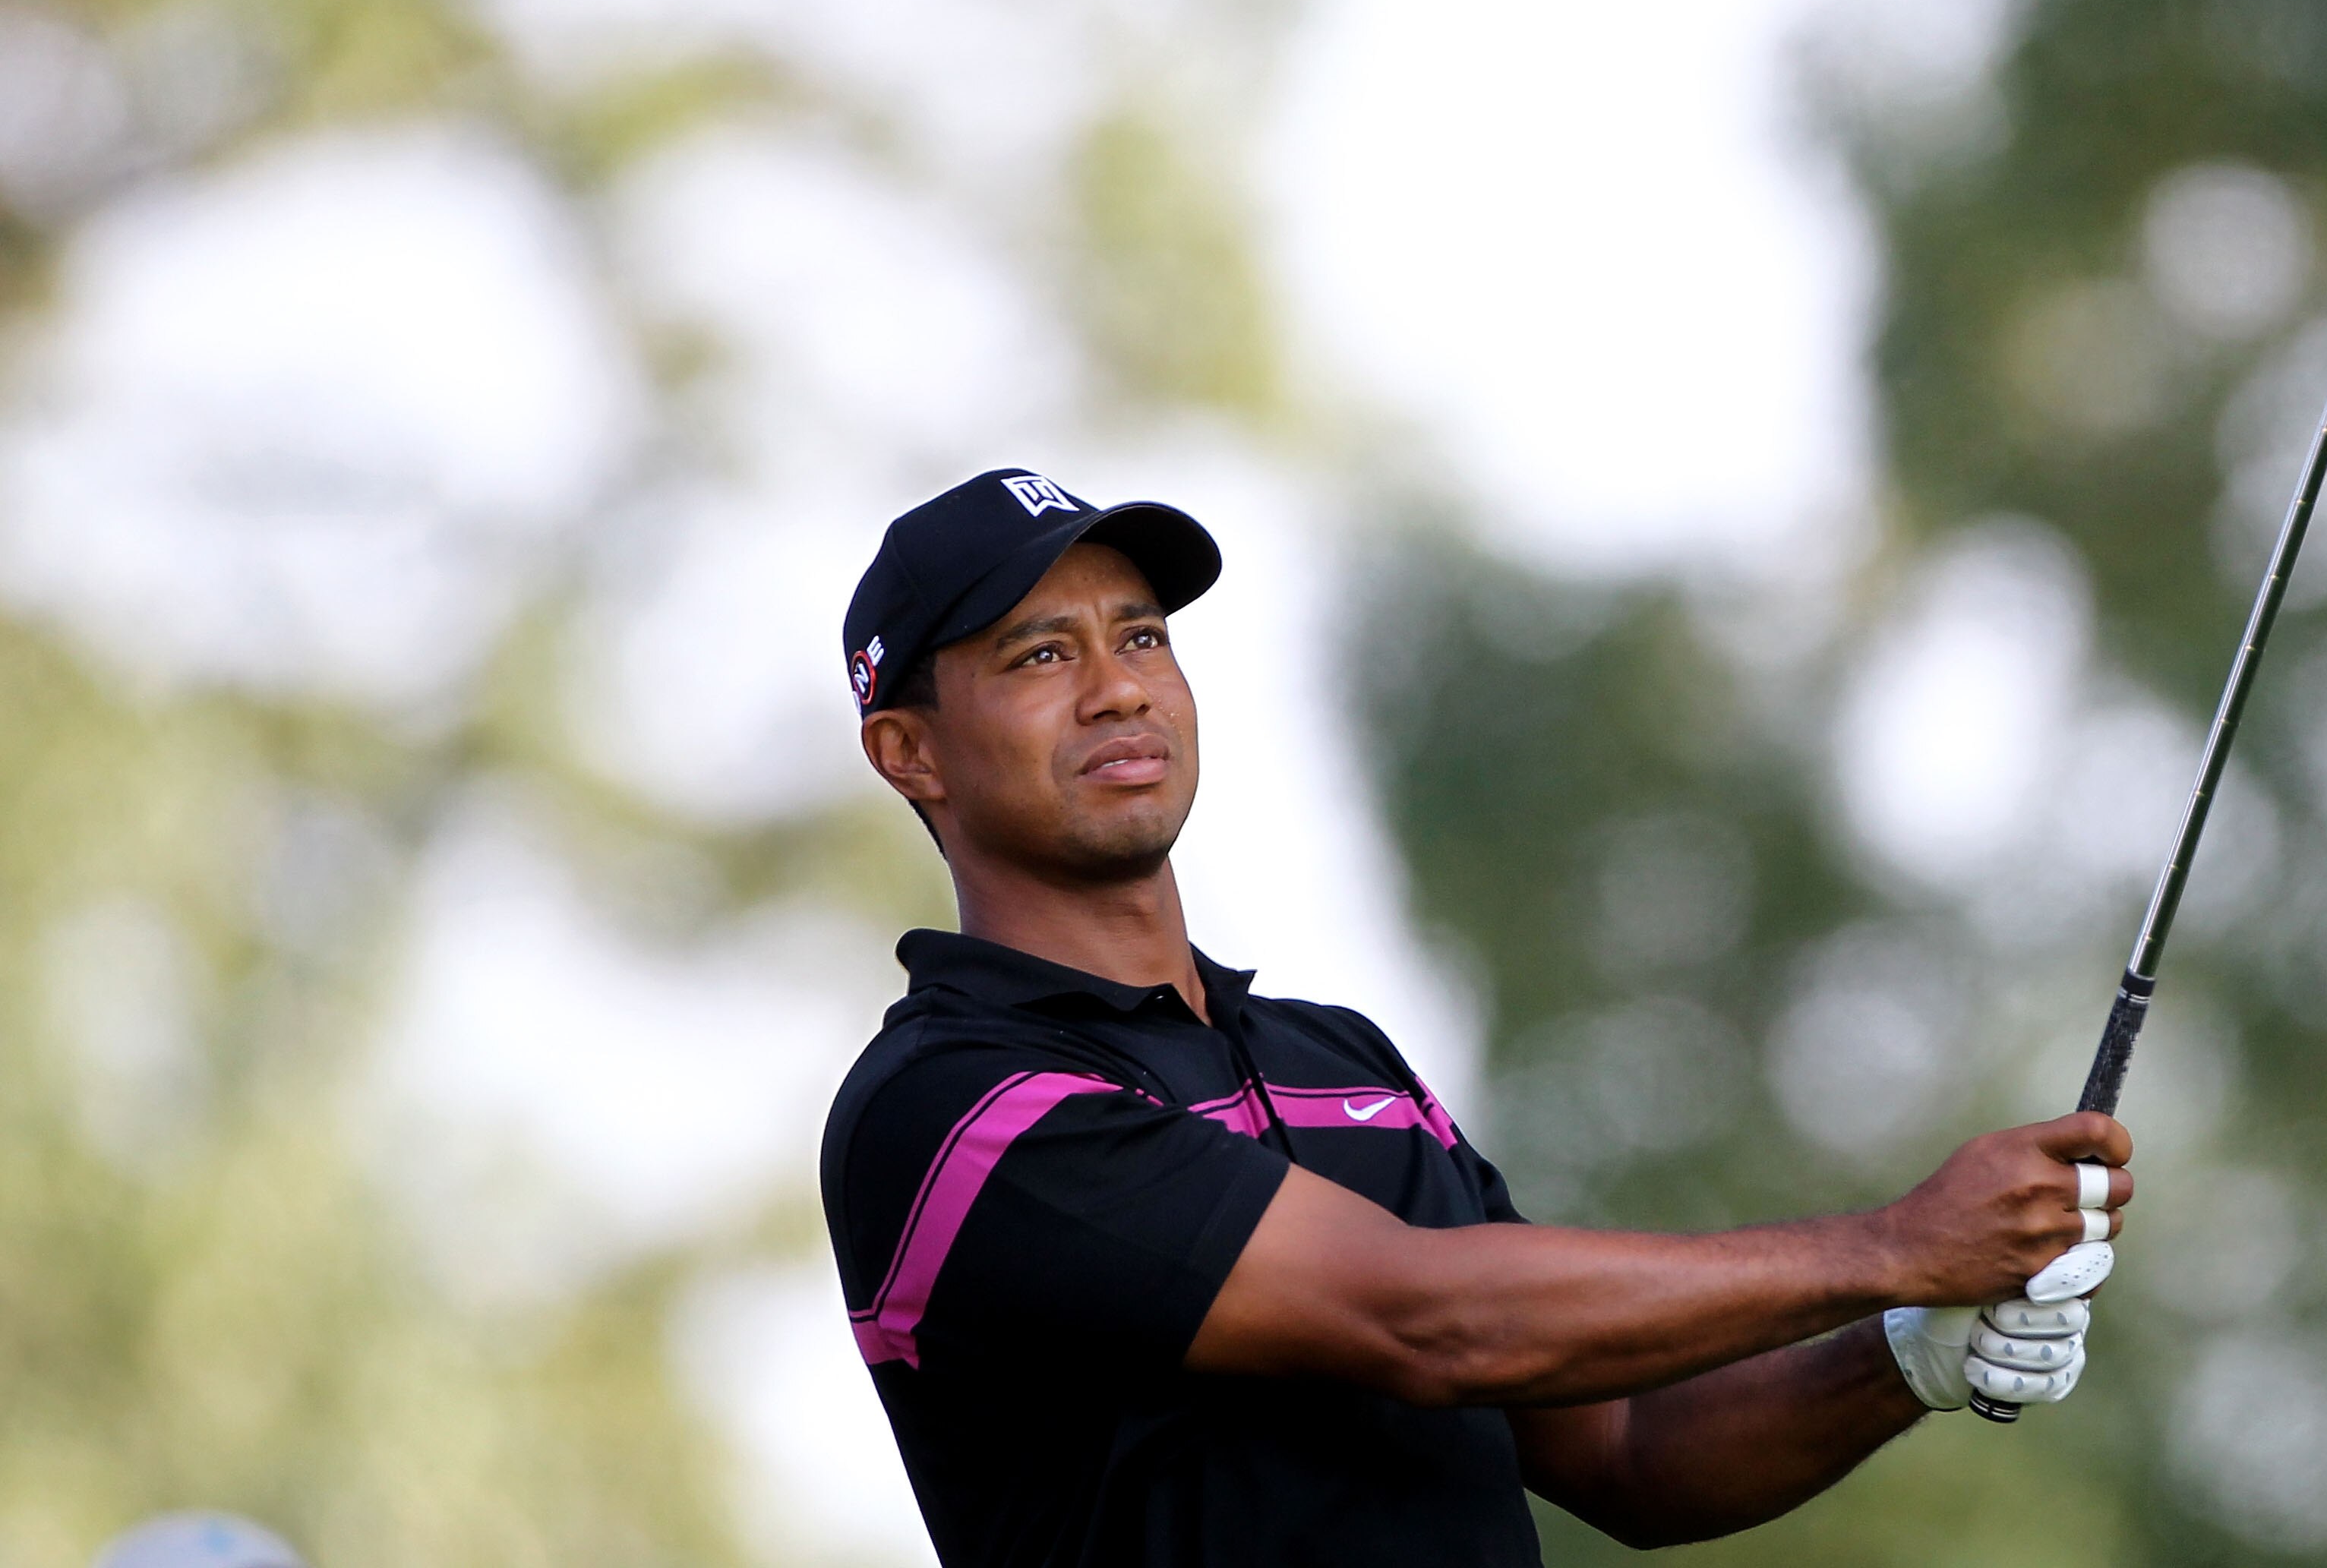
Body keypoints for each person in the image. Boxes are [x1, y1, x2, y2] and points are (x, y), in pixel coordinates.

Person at [822, 469, 2133, 1566]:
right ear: (911, 752)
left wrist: (1907, 1355)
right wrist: (1897, 1245)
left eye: (1143, 635)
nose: (1120, 689)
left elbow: (1625, 1450)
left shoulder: (1341, 1061)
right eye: (1043, 655)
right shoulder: (951, 1110)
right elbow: (1431, 1321)